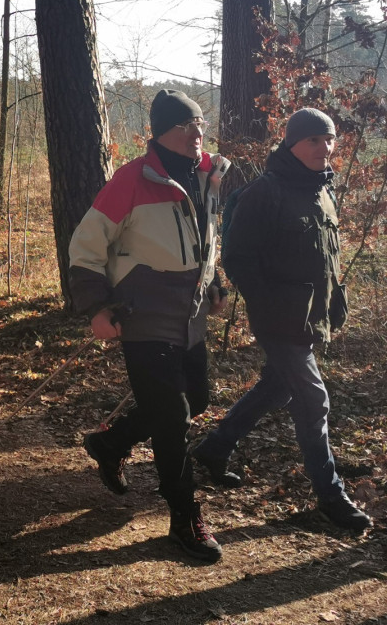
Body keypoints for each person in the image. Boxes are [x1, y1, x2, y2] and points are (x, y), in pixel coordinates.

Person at [68, 90, 230, 563]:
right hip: (143, 317)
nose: (198, 133)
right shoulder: (131, 180)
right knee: (172, 419)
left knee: (195, 399)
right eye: (186, 126)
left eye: (200, 123)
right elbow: (85, 246)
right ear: (161, 132)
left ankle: (110, 441)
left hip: (191, 314)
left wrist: (214, 281)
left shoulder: (207, 177)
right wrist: (97, 307)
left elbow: (207, 240)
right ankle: (185, 519)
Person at [192, 108, 372, 531]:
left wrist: (333, 305)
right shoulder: (265, 192)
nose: (324, 148)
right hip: (279, 321)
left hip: (310, 318)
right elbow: (238, 258)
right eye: (313, 140)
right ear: (292, 143)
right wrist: (269, 304)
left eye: (328, 140)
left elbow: (325, 258)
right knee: (313, 400)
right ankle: (331, 497)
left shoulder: (322, 191)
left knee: (276, 388)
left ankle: (214, 449)